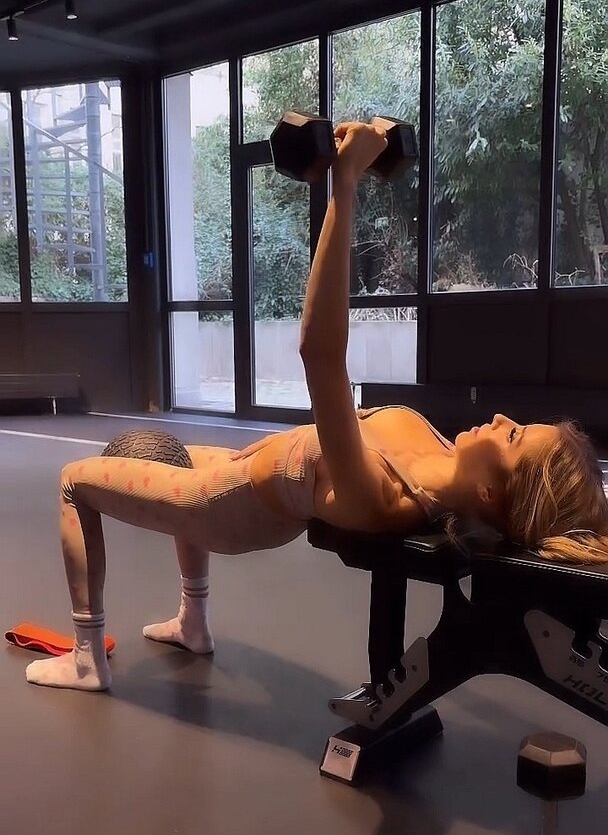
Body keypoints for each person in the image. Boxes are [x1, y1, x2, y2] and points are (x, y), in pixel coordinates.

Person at [24, 122, 608, 693]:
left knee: (75, 479)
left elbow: (320, 354)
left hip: (223, 508)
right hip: (244, 465)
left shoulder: (385, 496)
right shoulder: (436, 448)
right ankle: (192, 625)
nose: (503, 420)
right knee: (180, 456)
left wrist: (344, 185)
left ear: (488, 491)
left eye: (513, 438)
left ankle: (86, 660)